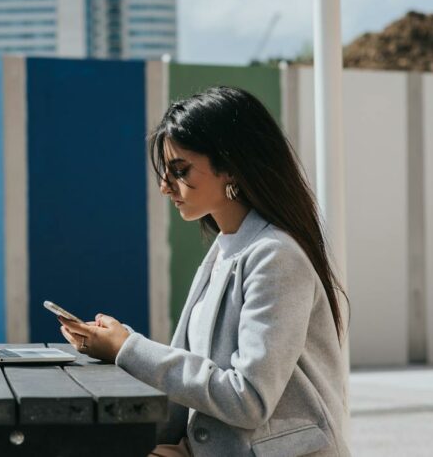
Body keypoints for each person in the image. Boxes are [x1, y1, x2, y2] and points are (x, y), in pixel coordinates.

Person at [58, 86, 352, 456]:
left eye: (179, 171)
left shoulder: (276, 256)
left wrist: (129, 349)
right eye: (165, 172)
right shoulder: (225, 247)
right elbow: (196, 378)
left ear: (231, 166)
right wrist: (119, 345)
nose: (166, 187)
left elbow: (249, 399)